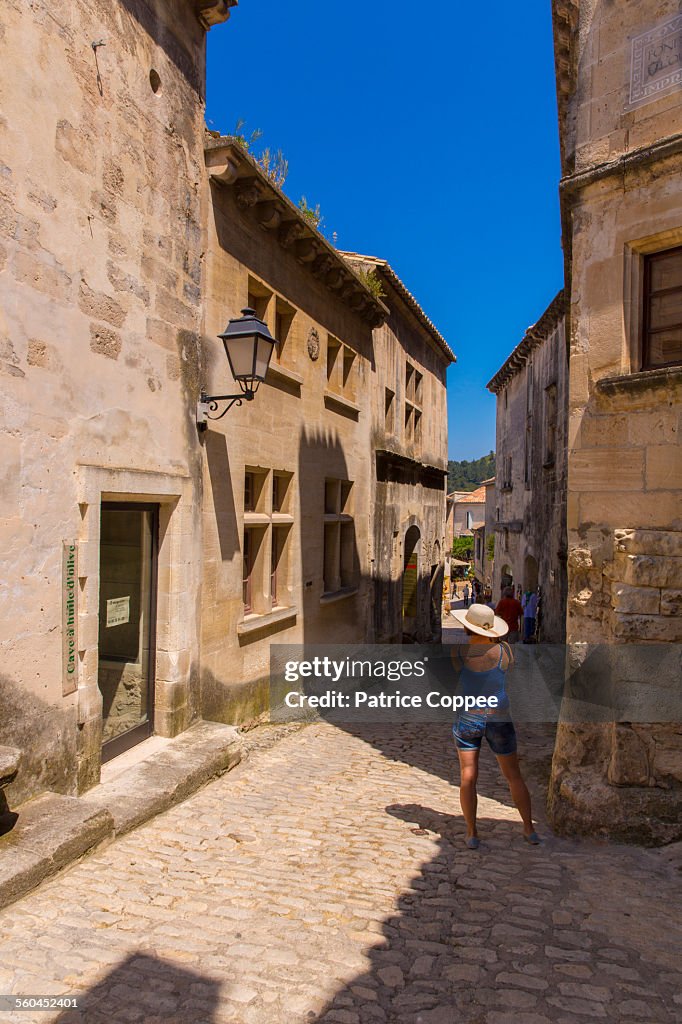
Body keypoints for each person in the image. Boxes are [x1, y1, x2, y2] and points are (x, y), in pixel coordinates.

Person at [449, 603, 540, 849]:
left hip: (469, 716)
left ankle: (471, 832)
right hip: (499, 716)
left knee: (468, 776)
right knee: (513, 776)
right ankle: (529, 828)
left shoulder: (458, 652)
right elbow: (511, 674)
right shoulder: (504, 651)